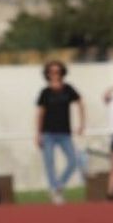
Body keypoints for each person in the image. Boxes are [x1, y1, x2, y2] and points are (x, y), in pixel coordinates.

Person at [36, 61, 85, 205]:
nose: (55, 75)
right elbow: (40, 114)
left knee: (73, 161)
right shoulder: (45, 92)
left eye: (57, 72)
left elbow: (81, 103)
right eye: (52, 72)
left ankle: (58, 186)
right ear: (48, 74)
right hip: (48, 133)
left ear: (62, 73)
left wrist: (82, 124)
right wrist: (38, 134)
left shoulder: (68, 89)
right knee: (49, 163)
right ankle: (54, 191)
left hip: (64, 133)